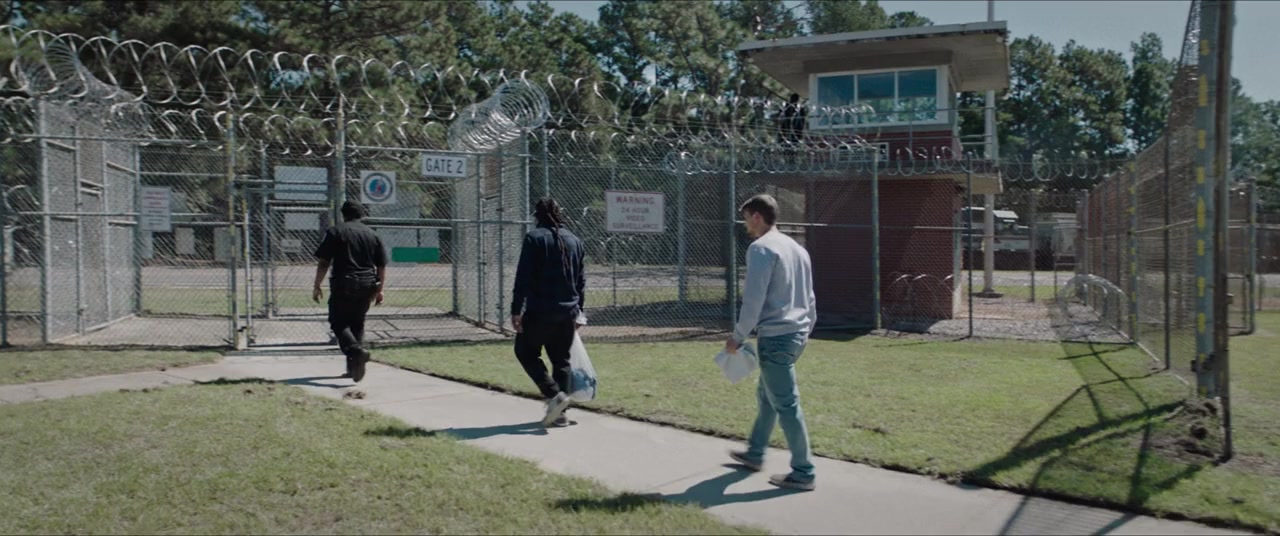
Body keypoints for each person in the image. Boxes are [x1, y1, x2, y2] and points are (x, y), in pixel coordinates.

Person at [725, 193, 818, 491]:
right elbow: (810, 298)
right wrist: (806, 330)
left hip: (776, 337)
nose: (746, 226)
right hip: (797, 335)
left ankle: (804, 472)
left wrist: (738, 336)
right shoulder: (797, 249)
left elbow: (754, 300)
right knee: (768, 396)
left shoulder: (761, 248)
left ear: (757, 217)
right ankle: (755, 454)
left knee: (786, 404)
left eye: (746, 219)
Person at [510, 197, 587, 427]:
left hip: (540, 310)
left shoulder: (534, 239)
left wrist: (516, 309)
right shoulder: (575, 241)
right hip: (568, 311)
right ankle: (560, 414)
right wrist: (580, 312)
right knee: (561, 360)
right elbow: (581, 281)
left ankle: (554, 395)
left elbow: (523, 277)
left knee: (525, 351)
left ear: (537, 216)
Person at [312, 201, 387, 382]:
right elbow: (381, 265)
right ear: (361, 215)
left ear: (343, 214)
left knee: (338, 322)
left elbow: (324, 262)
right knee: (357, 323)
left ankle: (355, 352)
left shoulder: (336, 232)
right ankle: (354, 368)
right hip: (367, 283)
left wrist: (317, 284)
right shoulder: (372, 234)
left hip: (344, 282)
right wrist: (380, 289)